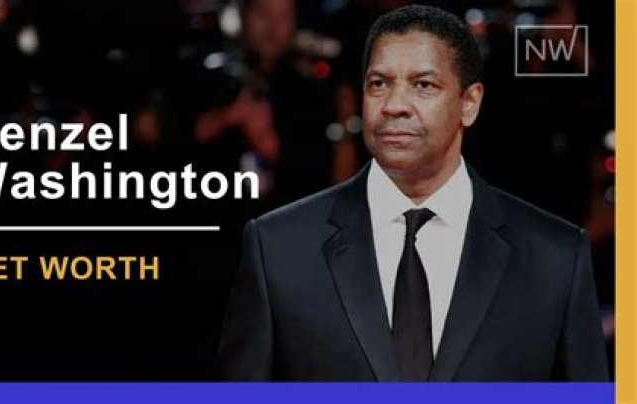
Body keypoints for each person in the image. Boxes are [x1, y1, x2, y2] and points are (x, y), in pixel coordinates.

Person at [215, 5, 608, 381]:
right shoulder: (277, 249)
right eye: (379, 84)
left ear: (469, 103)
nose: (395, 106)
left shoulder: (556, 258)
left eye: (423, 85)